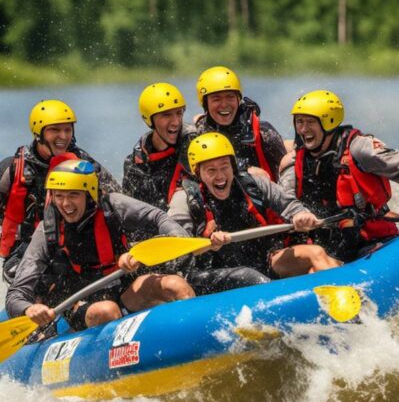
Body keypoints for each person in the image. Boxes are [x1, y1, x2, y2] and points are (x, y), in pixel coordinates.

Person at [6, 160, 195, 333]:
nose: (65, 203)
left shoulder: (112, 206)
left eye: (73, 195)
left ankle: (196, 335)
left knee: (175, 285)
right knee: (107, 311)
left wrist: (172, 241)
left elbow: (158, 217)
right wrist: (29, 308)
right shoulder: (47, 230)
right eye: (59, 196)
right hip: (80, 303)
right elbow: (16, 294)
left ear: (89, 194)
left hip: (125, 290)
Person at [278, 89, 399, 266]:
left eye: (310, 122)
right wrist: (298, 216)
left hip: (373, 242)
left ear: (329, 121)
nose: (303, 129)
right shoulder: (293, 162)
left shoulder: (360, 148)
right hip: (328, 249)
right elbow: (284, 202)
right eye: (299, 122)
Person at [168, 132, 338, 295]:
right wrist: (207, 245)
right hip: (211, 273)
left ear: (233, 166)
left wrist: (300, 214)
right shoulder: (184, 200)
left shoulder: (253, 184)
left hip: (264, 259)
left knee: (315, 253)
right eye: (211, 170)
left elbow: (288, 203)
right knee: (249, 276)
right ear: (198, 173)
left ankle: (346, 309)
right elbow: (176, 250)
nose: (220, 176)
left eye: (224, 167)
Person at [0, 99, 121, 283]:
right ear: (38, 133)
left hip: (73, 244)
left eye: (67, 129)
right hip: (23, 250)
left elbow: (117, 199)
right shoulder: (12, 168)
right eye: (55, 130)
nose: (63, 136)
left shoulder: (84, 165)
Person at [194, 66, 286, 181]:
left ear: (238, 99)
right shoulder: (198, 136)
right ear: (205, 104)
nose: (224, 104)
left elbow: (286, 181)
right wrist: (245, 169)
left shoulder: (264, 133)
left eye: (230, 97)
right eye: (216, 99)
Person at [122, 83, 197, 212]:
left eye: (179, 113)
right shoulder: (135, 165)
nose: (176, 122)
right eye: (166, 115)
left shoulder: (197, 144)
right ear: (150, 120)